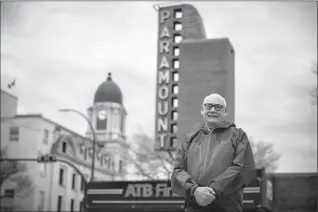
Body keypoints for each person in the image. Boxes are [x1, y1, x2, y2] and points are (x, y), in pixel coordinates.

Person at [171, 93, 256, 212]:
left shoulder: (238, 136)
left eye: (218, 107)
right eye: (208, 106)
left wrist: (211, 192)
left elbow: (242, 168)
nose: (212, 110)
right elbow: (178, 170)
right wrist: (195, 190)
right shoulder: (189, 140)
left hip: (227, 208)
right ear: (202, 110)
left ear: (225, 111)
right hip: (193, 207)